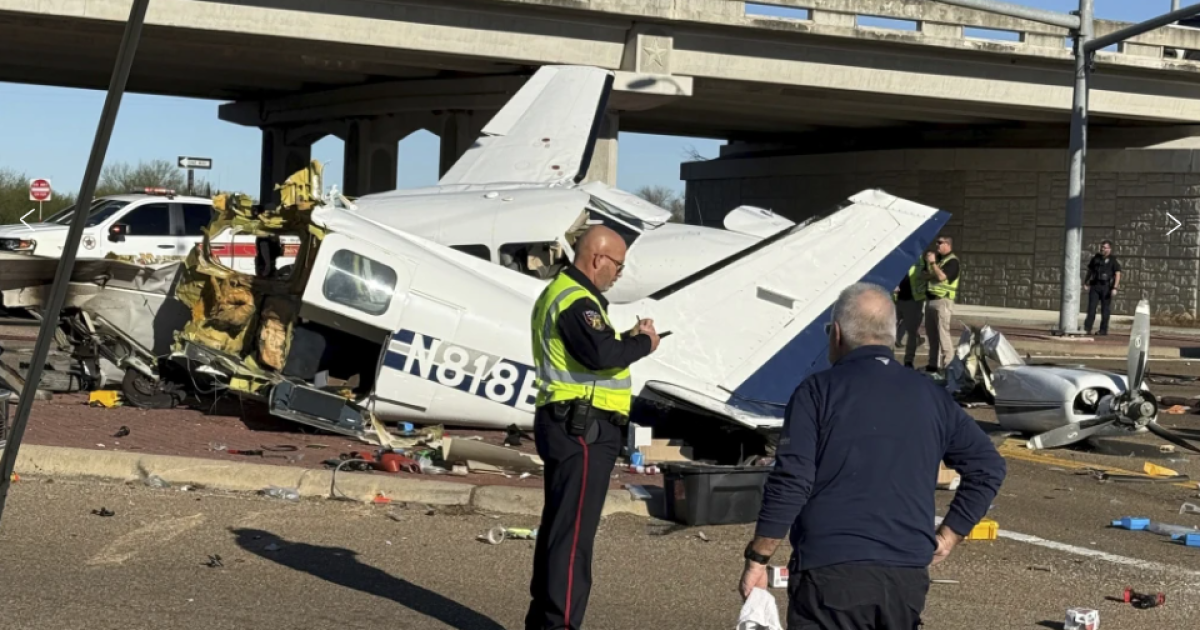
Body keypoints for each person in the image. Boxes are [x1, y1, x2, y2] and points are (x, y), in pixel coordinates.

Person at [738, 282, 1005, 629]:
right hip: (905, 577)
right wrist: (950, 534)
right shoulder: (931, 395)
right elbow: (988, 466)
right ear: (892, 337)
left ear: (836, 334)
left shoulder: (817, 391)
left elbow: (792, 480)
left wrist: (759, 557)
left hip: (830, 572)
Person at [525, 225, 661, 630]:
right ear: (597, 258)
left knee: (560, 531)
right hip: (583, 428)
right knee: (573, 541)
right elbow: (602, 354)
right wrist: (644, 344)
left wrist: (626, 336)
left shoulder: (567, 296)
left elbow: (592, 349)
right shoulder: (575, 300)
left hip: (570, 424)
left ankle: (544, 622)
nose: (619, 272)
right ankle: (559, 625)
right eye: (617, 264)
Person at [923, 236, 960, 373]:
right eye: (936, 242)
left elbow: (941, 277)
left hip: (942, 301)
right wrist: (932, 267)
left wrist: (933, 265)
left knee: (943, 335)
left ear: (948, 244)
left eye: (940, 243)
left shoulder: (953, 262)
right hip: (930, 301)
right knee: (931, 336)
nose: (937, 245)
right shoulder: (940, 260)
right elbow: (925, 275)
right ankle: (933, 364)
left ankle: (949, 365)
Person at [1083, 240, 1122, 336]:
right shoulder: (1096, 258)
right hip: (1095, 286)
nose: (1102, 249)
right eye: (1102, 247)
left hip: (1106, 287)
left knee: (1105, 310)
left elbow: (1118, 274)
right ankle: (1087, 329)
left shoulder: (1113, 260)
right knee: (1091, 308)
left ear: (1109, 249)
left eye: (1104, 247)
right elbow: (1090, 271)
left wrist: (1115, 288)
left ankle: (1103, 330)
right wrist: (1086, 282)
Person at [893, 259, 927, 368]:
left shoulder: (920, 261)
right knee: (891, 328)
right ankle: (891, 357)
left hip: (913, 300)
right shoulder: (902, 259)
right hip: (900, 299)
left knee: (911, 331)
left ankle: (908, 361)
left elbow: (925, 277)